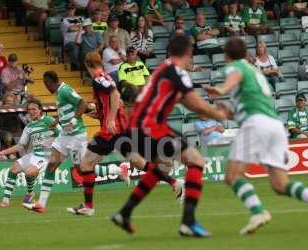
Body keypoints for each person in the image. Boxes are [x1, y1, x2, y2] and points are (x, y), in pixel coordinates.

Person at [110, 36, 227, 237]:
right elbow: (197, 104)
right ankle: (188, 222)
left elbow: (188, 102)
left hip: (138, 126)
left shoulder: (164, 69)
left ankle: (124, 213)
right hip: (150, 126)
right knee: (196, 160)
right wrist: (220, 114)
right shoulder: (176, 71)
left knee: (161, 167)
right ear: (188, 53)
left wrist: (209, 109)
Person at [205, 37, 308, 235]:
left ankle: (258, 212)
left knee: (232, 175)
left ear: (226, 55)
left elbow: (234, 77)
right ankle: (259, 211)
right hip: (274, 125)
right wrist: (231, 113)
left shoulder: (236, 67)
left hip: (256, 124)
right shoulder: (255, 71)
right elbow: (252, 102)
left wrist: (220, 90)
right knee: (280, 184)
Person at [23, 71, 130, 213]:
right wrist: (57, 121)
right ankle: (41, 204)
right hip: (64, 136)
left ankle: (118, 170)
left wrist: (73, 121)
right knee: (52, 166)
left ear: (50, 82)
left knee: (82, 169)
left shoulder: (65, 90)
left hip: (76, 137)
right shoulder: (59, 93)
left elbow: (82, 104)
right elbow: (70, 110)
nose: (46, 87)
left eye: (45, 84)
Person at [64, 52, 131, 216]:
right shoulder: (106, 76)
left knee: (86, 165)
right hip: (115, 127)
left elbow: (116, 95)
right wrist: (99, 114)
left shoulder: (98, 78)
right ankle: (174, 182)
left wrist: (110, 119)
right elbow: (112, 99)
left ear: (87, 64)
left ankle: (88, 206)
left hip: (109, 130)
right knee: (139, 160)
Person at [0, 99, 58, 208]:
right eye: (29, 110)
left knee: (29, 172)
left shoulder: (49, 121)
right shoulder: (29, 127)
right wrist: (3, 152)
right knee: (13, 169)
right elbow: (20, 146)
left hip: (46, 156)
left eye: (34, 109)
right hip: (34, 155)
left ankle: (30, 193)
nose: (31, 112)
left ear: (40, 110)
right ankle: (5, 202)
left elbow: (61, 135)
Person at [60, 3, 84, 70]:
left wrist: (77, 27)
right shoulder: (64, 20)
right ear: (67, 10)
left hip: (82, 40)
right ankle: (75, 66)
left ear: (75, 9)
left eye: (72, 8)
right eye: (69, 9)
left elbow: (85, 27)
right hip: (70, 42)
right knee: (75, 46)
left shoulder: (80, 18)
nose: (71, 10)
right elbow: (71, 29)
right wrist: (80, 26)